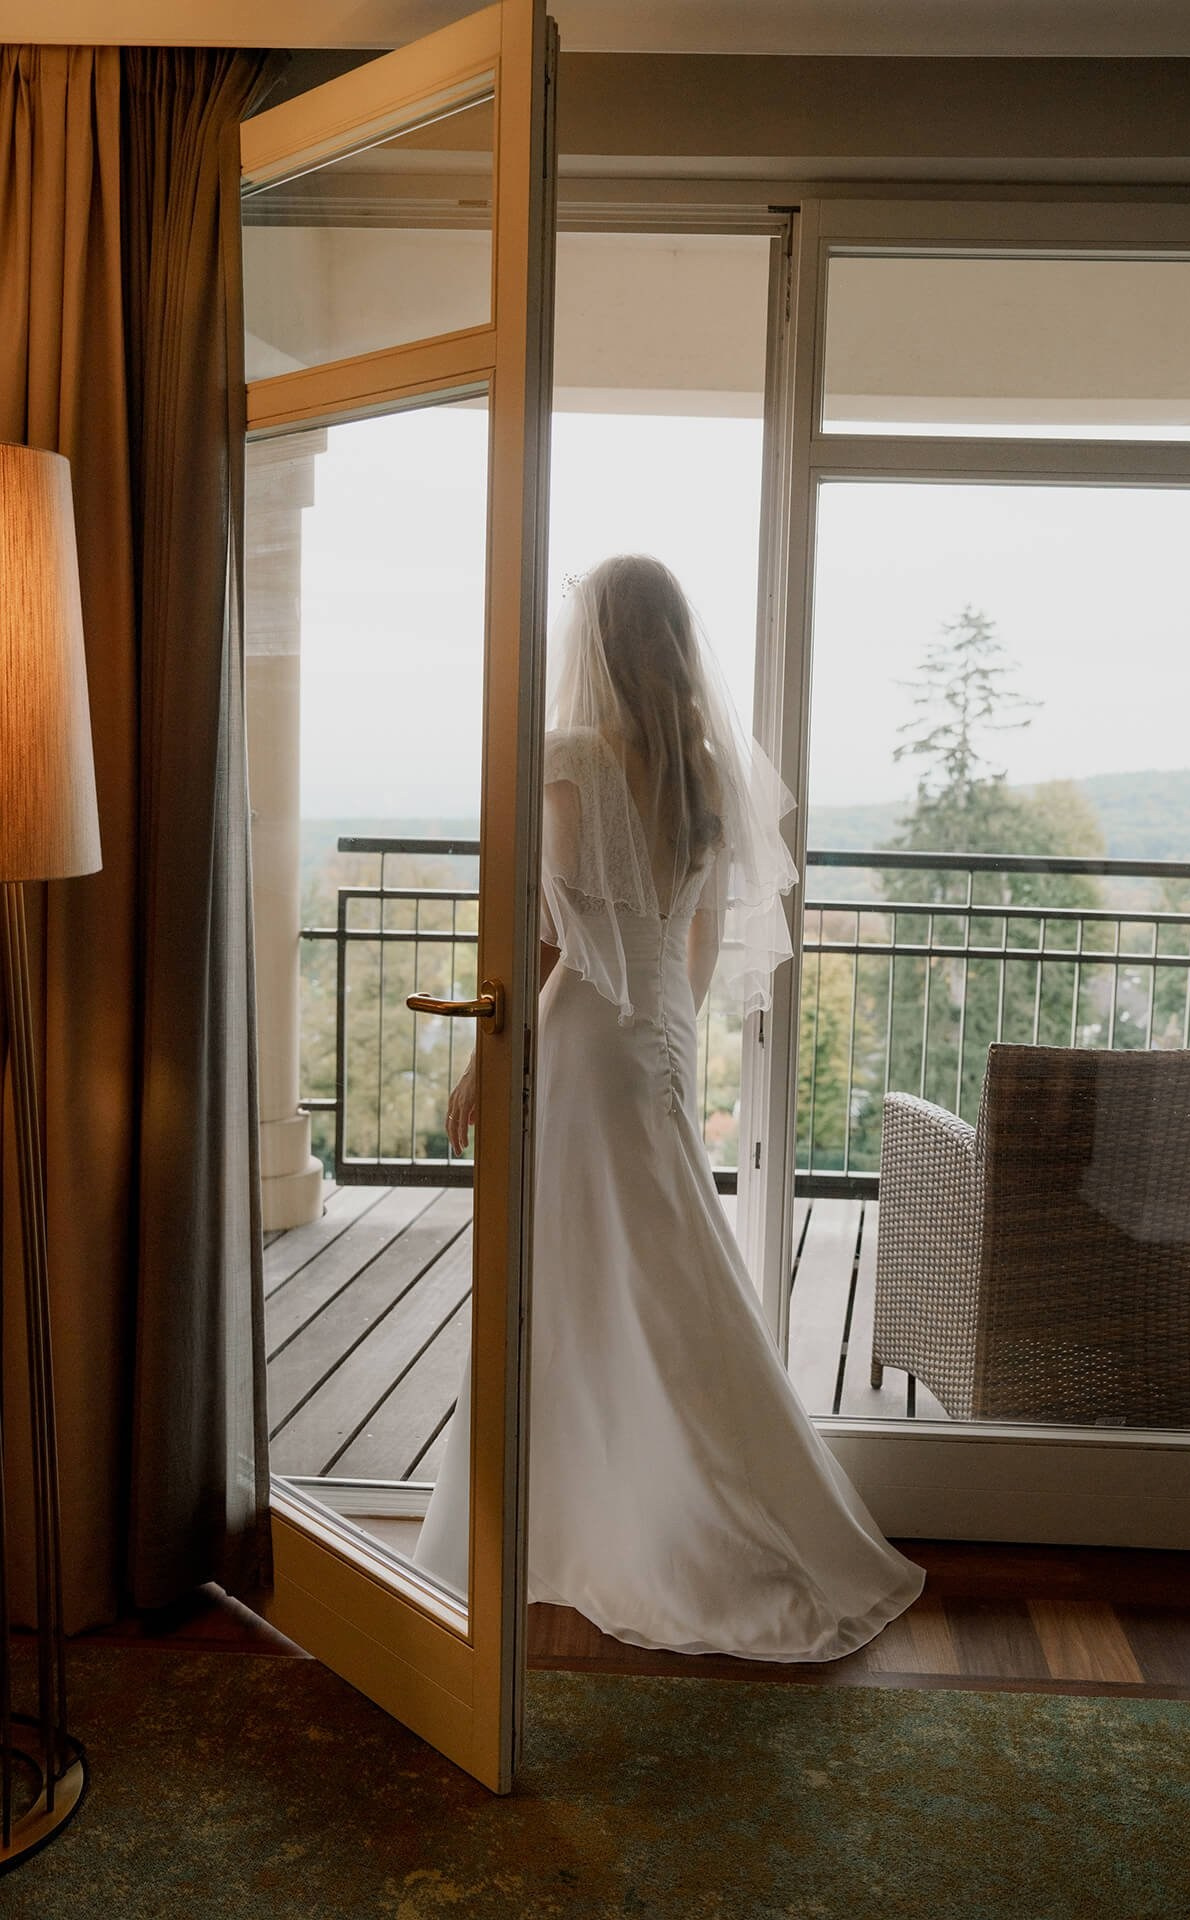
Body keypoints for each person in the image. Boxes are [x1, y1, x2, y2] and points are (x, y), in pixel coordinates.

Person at [413, 554, 924, 1659]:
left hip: (584, 1032)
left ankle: (552, 1519)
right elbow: (693, 937)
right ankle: (663, 1503)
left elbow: (542, 929)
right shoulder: (704, 770)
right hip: (653, 1039)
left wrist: (486, 1060)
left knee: (567, 1278)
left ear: (595, 642)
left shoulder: (566, 762)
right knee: (655, 1270)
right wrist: (671, 1038)